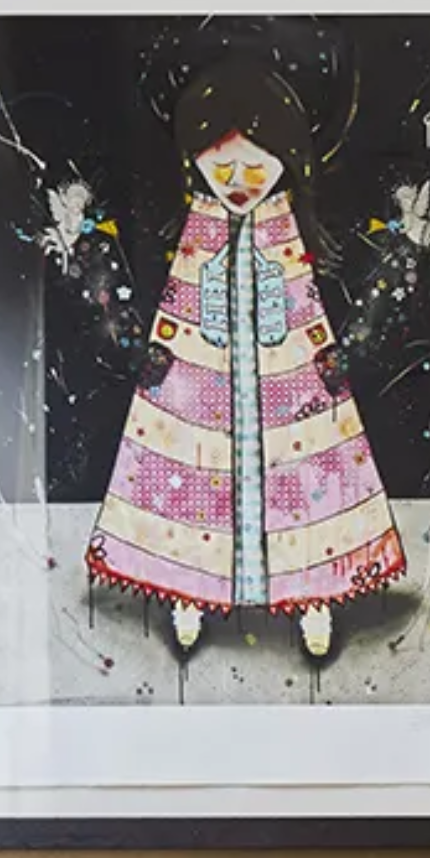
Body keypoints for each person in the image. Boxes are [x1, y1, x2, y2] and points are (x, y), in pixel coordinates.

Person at [86, 57, 406, 663]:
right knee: (193, 471)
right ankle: (192, 587)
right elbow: (177, 301)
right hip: (201, 383)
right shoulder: (195, 228)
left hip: (287, 387)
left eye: (256, 164)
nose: (238, 179)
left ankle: (315, 591)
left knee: (303, 474)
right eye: (220, 164)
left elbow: (309, 307)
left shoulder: (290, 231)